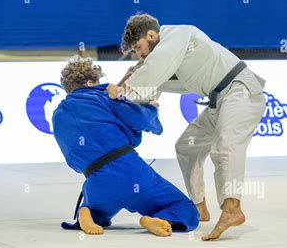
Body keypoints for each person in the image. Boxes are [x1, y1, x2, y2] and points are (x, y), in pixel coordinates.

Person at [107, 14, 266, 241]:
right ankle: (199, 207)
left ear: (151, 35)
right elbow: (150, 78)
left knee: (225, 147)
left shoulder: (179, 34)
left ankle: (232, 208)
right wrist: (124, 86)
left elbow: (152, 70)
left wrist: (123, 90)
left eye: (139, 47)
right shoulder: (167, 54)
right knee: (186, 147)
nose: (139, 54)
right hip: (219, 100)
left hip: (241, 91)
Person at [52, 57, 199, 236]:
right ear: (90, 82)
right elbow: (142, 120)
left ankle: (89, 211)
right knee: (184, 207)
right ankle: (161, 218)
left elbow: (75, 156)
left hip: (95, 181)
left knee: (99, 210)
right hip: (130, 171)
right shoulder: (106, 96)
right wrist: (151, 108)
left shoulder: (58, 115)